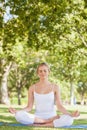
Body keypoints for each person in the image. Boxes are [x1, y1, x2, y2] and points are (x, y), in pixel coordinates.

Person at [9, 62, 80, 127]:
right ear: (38, 73)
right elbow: (29, 107)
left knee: (69, 119)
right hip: (38, 117)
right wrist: (17, 111)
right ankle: (47, 122)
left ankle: (40, 125)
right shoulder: (32, 88)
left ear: (49, 72)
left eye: (45, 71)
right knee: (18, 115)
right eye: (40, 71)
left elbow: (60, 106)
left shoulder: (55, 87)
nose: (43, 73)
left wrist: (71, 114)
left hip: (52, 116)